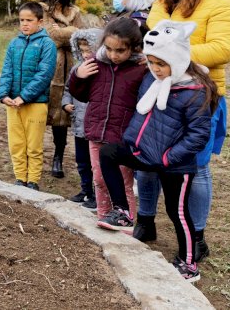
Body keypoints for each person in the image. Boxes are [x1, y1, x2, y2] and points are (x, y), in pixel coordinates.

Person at [134, 0, 230, 261]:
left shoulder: (221, 2)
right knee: (147, 160)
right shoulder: (161, 3)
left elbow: (222, 49)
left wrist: (172, 53)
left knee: (197, 168)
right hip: (158, 92)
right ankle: (145, 220)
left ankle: (197, 235)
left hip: (198, 96)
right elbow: (150, 40)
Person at [98, 20, 218, 283]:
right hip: (144, 153)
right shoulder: (151, 78)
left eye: (160, 64)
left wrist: (168, 158)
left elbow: (198, 135)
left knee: (178, 213)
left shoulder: (194, 91)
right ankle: (122, 211)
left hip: (174, 163)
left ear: (177, 61)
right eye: (151, 63)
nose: (154, 69)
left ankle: (188, 264)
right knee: (108, 153)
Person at [68, 17, 147, 224]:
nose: (113, 55)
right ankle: (104, 218)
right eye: (109, 49)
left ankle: (126, 222)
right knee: (100, 180)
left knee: (123, 183)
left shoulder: (140, 69)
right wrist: (78, 75)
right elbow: (81, 94)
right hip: (96, 133)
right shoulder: (95, 63)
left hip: (121, 137)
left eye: (120, 51)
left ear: (134, 46)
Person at [0, 2, 57, 191]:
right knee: (16, 144)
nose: (24, 24)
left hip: (35, 104)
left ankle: (33, 181)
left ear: (40, 21)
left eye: (29, 20)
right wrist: (4, 95)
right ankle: (19, 178)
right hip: (12, 104)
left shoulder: (47, 44)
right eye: (22, 20)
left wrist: (24, 97)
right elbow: (7, 70)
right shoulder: (14, 43)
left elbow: (44, 75)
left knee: (33, 146)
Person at [39, 0, 84, 178]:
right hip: (47, 68)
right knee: (39, 113)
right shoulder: (40, 9)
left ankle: (58, 157)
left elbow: (82, 38)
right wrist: (71, 33)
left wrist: (67, 35)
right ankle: (31, 157)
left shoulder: (75, 12)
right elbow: (51, 35)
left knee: (62, 117)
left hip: (70, 68)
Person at [61, 28, 102, 209]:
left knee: (96, 164)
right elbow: (69, 89)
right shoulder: (77, 69)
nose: (86, 54)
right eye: (83, 51)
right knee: (82, 161)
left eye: (89, 50)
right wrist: (65, 104)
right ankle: (85, 190)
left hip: (95, 126)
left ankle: (97, 195)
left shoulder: (102, 71)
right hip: (79, 124)